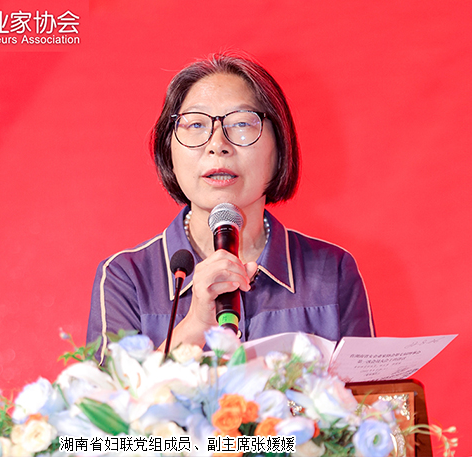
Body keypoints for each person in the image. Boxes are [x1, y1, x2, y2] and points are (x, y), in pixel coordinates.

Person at [87, 53, 374, 358]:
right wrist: (194, 326)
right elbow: (111, 390)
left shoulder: (333, 272)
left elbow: (372, 389)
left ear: (280, 146)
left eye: (241, 123)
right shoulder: (126, 278)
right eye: (196, 124)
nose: (217, 145)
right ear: (168, 150)